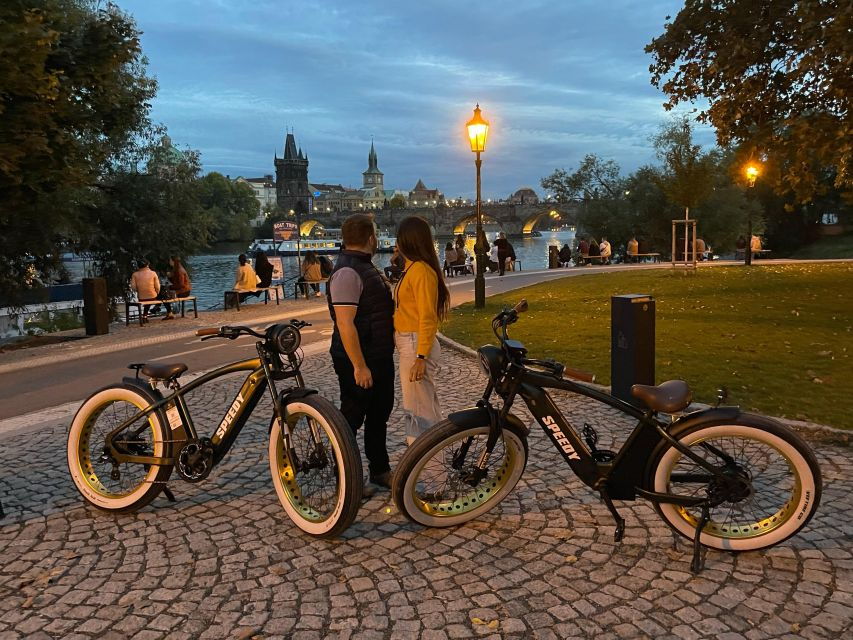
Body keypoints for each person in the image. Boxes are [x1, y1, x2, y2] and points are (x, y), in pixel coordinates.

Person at [327, 213, 394, 489]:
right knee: (352, 416)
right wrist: (359, 365)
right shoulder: (347, 272)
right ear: (370, 237)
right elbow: (345, 323)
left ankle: (379, 469)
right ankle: (344, 475)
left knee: (379, 413)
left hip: (378, 354)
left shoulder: (364, 267)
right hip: (359, 358)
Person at [394, 216, 449, 446]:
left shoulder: (421, 272)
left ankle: (429, 474)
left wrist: (420, 357)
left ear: (408, 240)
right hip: (410, 342)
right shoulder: (412, 269)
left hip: (416, 344)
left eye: (398, 239)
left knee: (420, 413)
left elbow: (427, 317)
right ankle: (426, 468)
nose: (395, 244)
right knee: (420, 408)